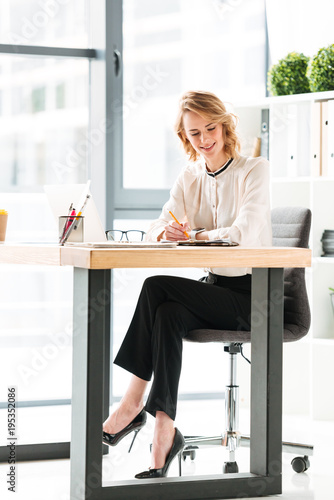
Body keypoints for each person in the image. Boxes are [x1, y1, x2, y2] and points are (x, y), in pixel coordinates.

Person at [102, 90, 272, 479]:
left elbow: (242, 233)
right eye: (194, 133)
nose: (204, 139)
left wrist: (193, 234)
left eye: (210, 128)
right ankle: (164, 428)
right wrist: (167, 232)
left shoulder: (254, 170)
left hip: (254, 298)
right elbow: (156, 227)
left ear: (224, 126)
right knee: (167, 312)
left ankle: (130, 405)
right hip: (214, 290)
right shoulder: (190, 175)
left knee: (156, 286)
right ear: (185, 137)